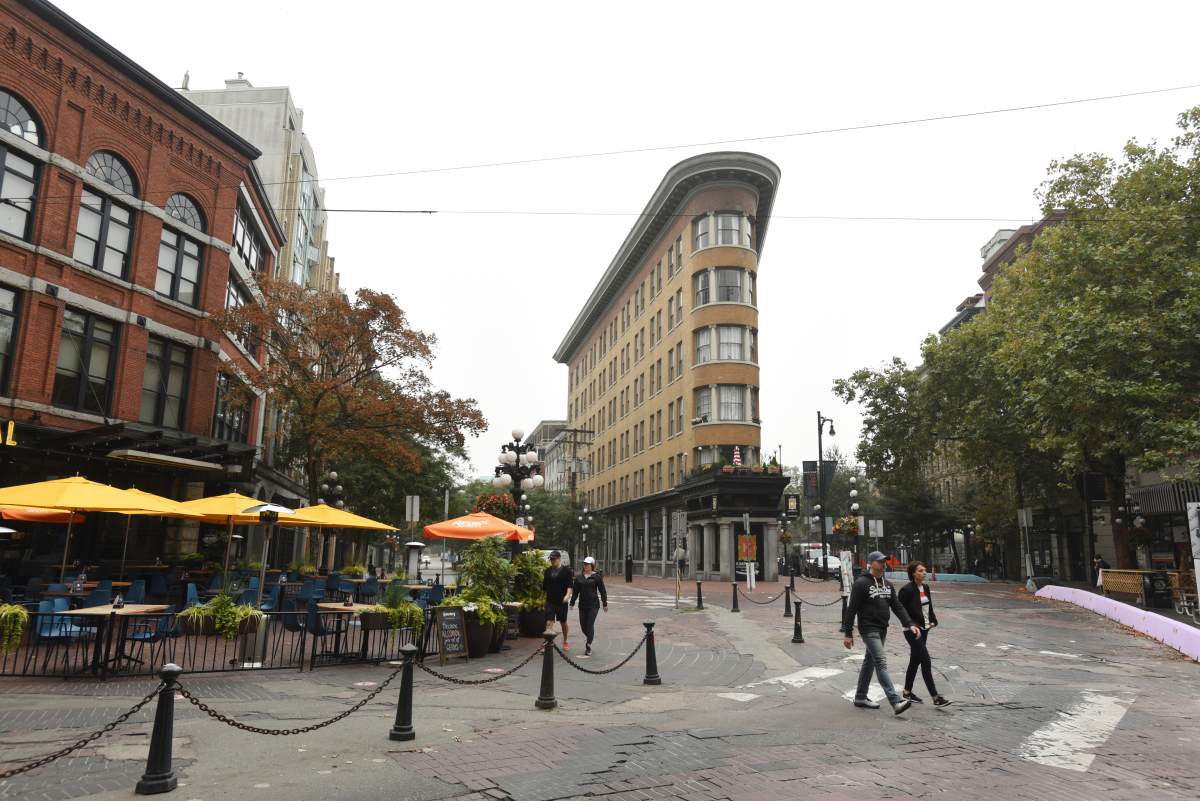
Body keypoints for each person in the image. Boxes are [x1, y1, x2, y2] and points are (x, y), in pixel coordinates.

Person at [841, 550, 921, 715]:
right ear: (871, 564)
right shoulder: (861, 583)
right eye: (880, 561)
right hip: (868, 629)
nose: (883, 564)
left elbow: (897, 606)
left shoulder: (887, 584)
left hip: (882, 628)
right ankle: (895, 701)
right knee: (880, 661)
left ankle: (860, 697)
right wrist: (848, 633)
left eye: (884, 561)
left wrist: (909, 623)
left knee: (869, 662)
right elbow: (851, 609)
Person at [898, 561, 951, 707]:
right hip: (912, 631)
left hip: (925, 629)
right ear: (913, 573)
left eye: (925, 570)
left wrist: (933, 621)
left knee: (915, 660)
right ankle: (935, 698)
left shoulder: (925, 587)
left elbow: (928, 607)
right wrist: (911, 624)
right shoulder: (906, 590)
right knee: (926, 661)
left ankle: (907, 692)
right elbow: (899, 609)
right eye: (921, 571)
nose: (924, 573)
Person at [570, 556, 608, 656]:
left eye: (588, 564)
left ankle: (588, 645)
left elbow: (602, 591)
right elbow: (575, 592)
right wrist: (572, 603)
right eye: (585, 564)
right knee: (583, 627)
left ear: (592, 566)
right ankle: (590, 637)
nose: (586, 566)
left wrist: (605, 604)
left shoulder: (596, 577)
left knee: (589, 624)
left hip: (594, 605)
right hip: (582, 605)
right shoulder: (579, 578)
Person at [542, 550, 574, 650]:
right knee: (549, 622)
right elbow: (544, 587)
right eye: (551, 559)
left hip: (561, 601)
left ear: (559, 559)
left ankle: (565, 640)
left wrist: (567, 596)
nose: (552, 561)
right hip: (550, 600)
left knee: (563, 622)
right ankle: (547, 643)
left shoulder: (567, 571)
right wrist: (541, 599)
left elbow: (570, 586)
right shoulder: (547, 571)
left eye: (554, 559)